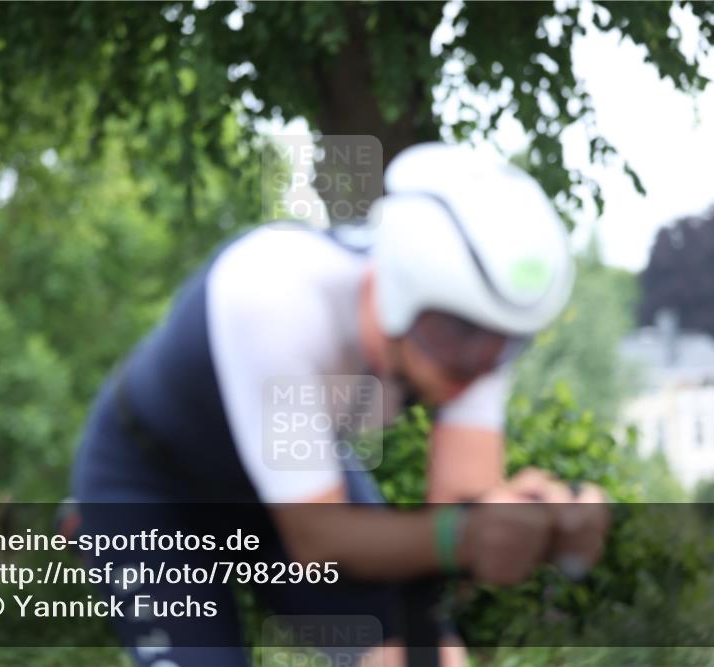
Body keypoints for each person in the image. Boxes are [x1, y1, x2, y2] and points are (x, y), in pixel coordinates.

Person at [70, 142, 610, 667]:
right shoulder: (275, 297)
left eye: (503, 348)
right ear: (399, 291)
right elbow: (319, 541)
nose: (477, 372)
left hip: (295, 483)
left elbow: (457, 528)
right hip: (153, 491)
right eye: (457, 344)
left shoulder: (470, 333)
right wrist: (467, 536)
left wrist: (537, 519)